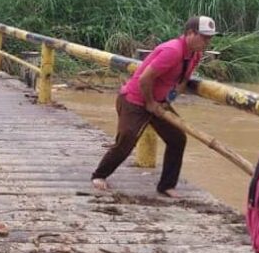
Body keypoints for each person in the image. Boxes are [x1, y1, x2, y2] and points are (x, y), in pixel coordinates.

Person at [91, 16, 217, 197]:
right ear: (190, 33)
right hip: (135, 99)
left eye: (210, 38)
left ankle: (166, 185)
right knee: (127, 139)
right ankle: (99, 175)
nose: (207, 42)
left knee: (177, 138)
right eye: (204, 37)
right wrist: (150, 103)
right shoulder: (172, 51)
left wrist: (167, 102)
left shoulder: (195, 55)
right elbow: (145, 78)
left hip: (158, 102)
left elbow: (182, 82)